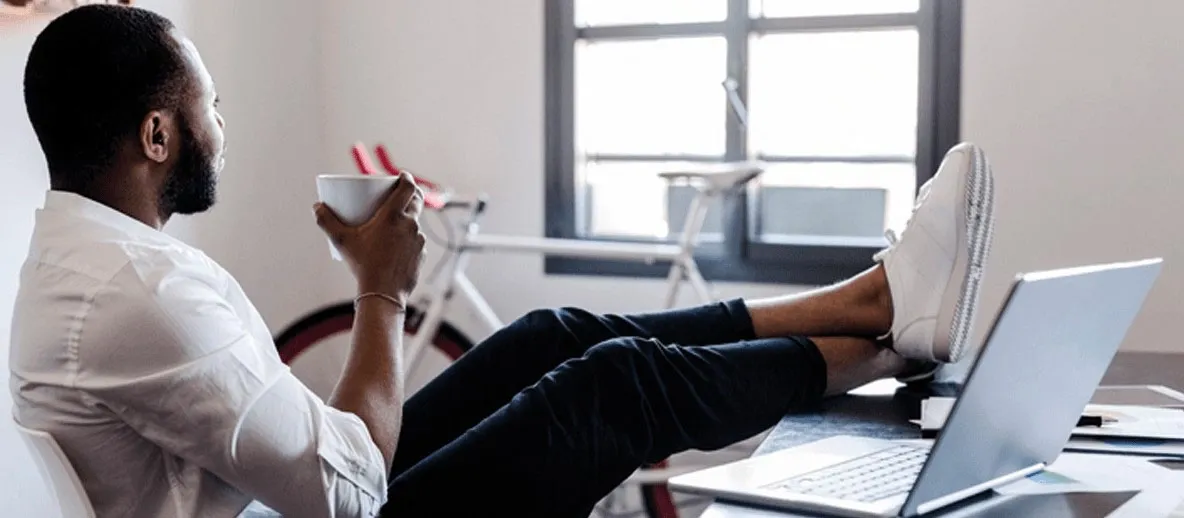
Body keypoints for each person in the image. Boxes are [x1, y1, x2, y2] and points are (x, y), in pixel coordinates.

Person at [9, 5, 995, 518]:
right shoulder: (136, 290)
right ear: (155, 135)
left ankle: (874, 304)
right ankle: (884, 340)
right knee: (609, 385)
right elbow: (349, 493)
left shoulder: (95, 256)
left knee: (548, 335)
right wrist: (380, 289)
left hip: (284, 501)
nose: (221, 124)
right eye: (207, 108)